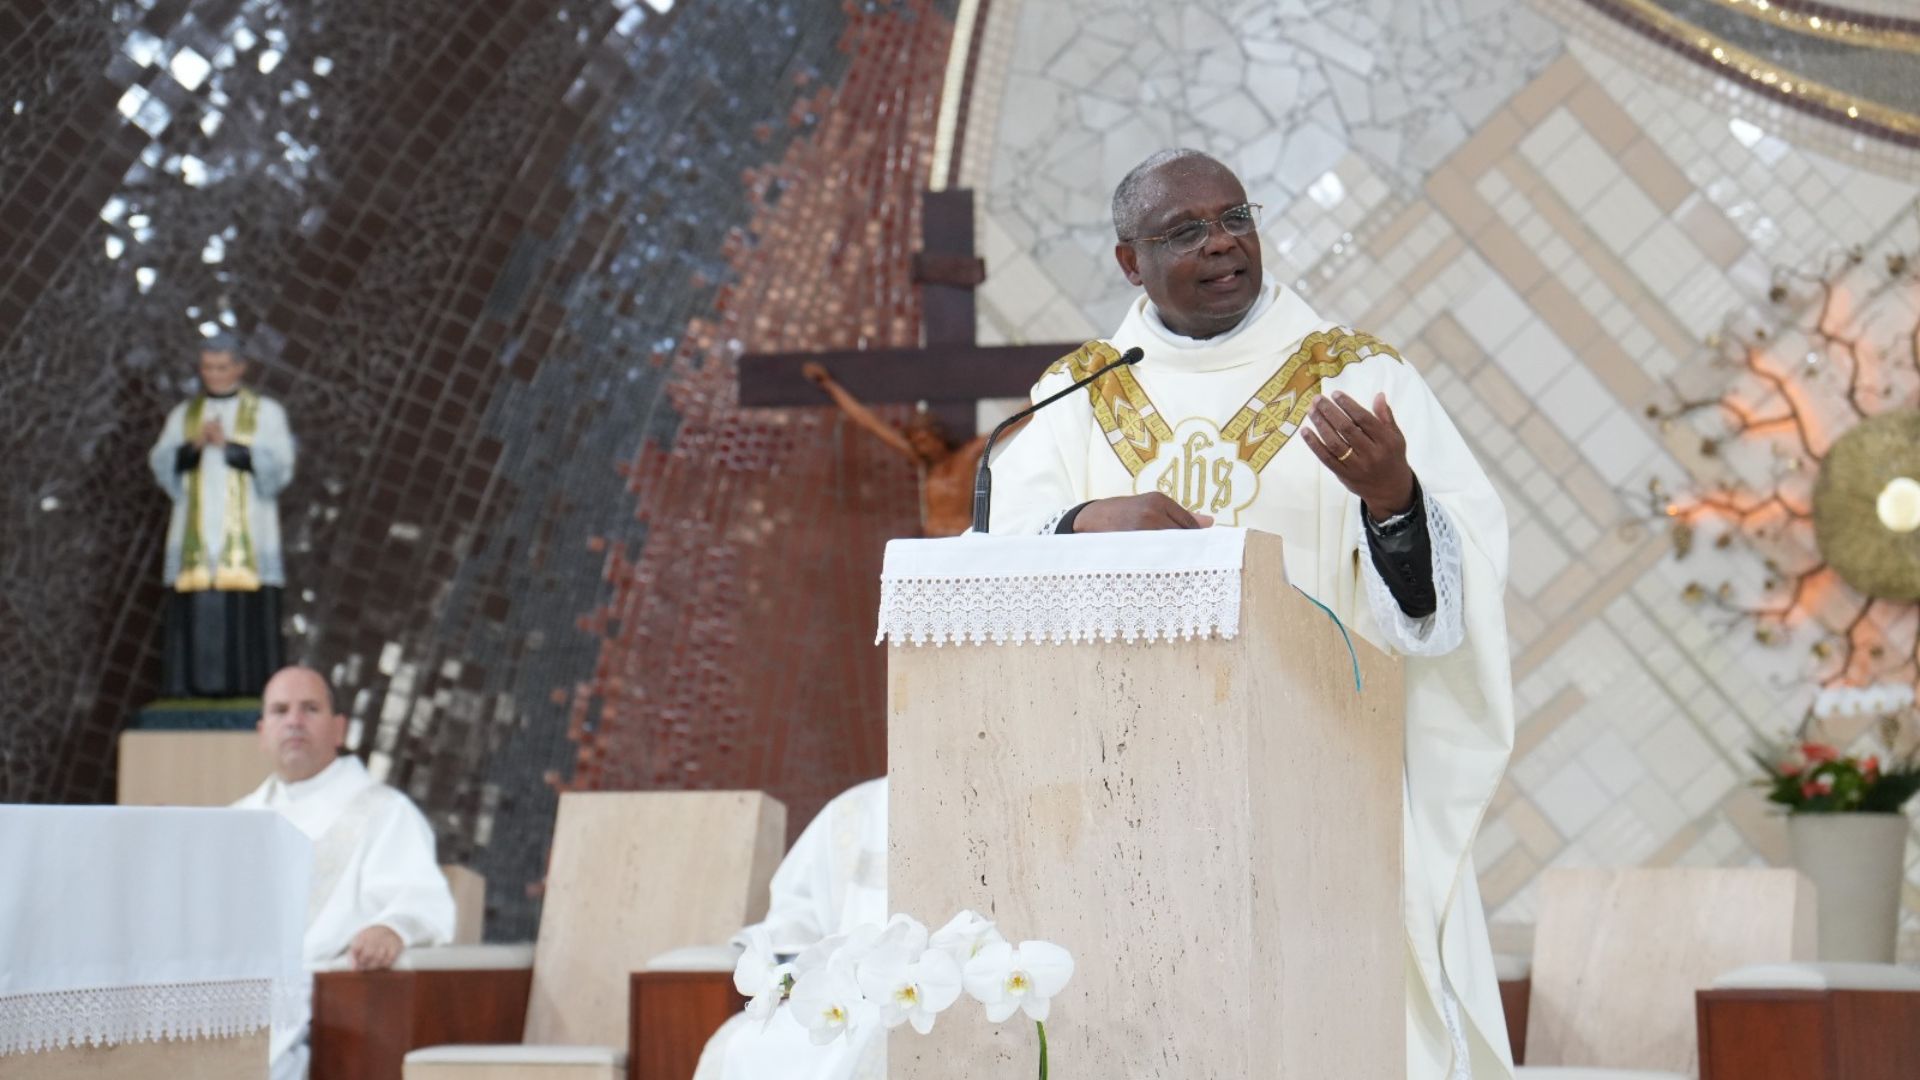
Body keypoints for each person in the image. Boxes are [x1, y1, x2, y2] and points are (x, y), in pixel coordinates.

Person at [985, 149, 1515, 1080]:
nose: (1223, 241)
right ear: (1128, 262)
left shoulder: (1357, 379)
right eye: (1185, 231)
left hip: (1323, 767)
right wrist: (1083, 518)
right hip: (1133, 787)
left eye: (1236, 217)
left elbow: (1453, 598)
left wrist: (1394, 499)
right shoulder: (1081, 398)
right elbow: (991, 565)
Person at [233, 665, 456, 1080]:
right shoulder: (236, 821)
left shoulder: (385, 812)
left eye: (310, 709)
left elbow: (421, 899)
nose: (294, 721)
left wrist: (392, 928)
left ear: (339, 729)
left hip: (328, 996)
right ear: (262, 733)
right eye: (281, 711)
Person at [692, 777, 888, 1080]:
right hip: (839, 995)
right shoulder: (852, 811)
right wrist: (787, 964)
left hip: (908, 1002)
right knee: (744, 1047)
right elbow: (797, 907)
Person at [148, 335, 296, 698]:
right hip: (196, 538)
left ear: (240, 368)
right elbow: (162, 464)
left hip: (248, 538)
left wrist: (231, 448)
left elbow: (280, 469)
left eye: (222, 367)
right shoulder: (184, 416)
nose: (213, 375)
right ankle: (189, 691)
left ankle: (246, 692)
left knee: (245, 619)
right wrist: (192, 447)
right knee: (195, 616)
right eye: (207, 368)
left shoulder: (266, 413)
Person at [802, 362, 1008, 538]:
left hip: (959, 538)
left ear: (939, 437)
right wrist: (829, 385)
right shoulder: (924, 465)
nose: (922, 447)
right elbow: (871, 424)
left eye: (925, 440)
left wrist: (1040, 396)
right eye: (917, 443)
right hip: (931, 539)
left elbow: (1010, 425)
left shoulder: (966, 457)